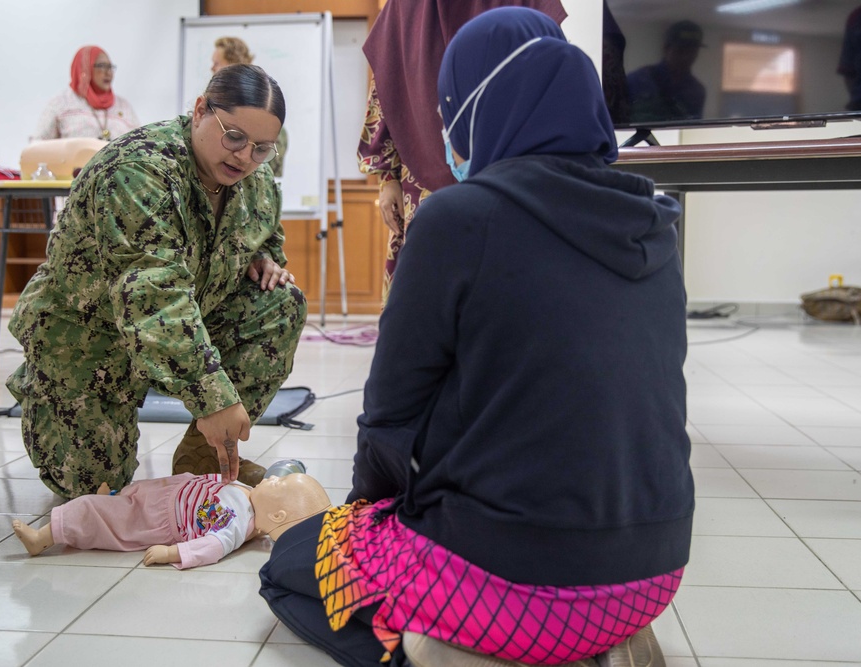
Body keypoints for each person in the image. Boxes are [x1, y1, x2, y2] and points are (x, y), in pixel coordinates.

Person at [260, 8, 692, 667]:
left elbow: (389, 417)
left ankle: (439, 645)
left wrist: (362, 523)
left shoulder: (457, 217)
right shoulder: (655, 219)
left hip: (512, 584)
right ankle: (596, 640)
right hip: (652, 575)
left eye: (446, 108)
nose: (442, 131)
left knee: (293, 560)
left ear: (475, 107)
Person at [7, 63, 306, 500]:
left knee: (281, 302)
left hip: (181, 323)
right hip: (88, 337)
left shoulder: (254, 180)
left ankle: (204, 459)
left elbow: (265, 233)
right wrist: (214, 398)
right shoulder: (138, 169)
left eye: (262, 148)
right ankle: (50, 389)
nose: (245, 157)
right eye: (234, 137)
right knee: (92, 490)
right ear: (201, 110)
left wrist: (263, 258)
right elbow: (153, 295)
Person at [358, 0, 566, 305]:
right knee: (429, 289)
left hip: (516, 169)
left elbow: (553, 62)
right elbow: (386, 83)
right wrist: (386, 176)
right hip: (422, 173)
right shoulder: (406, 6)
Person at [11, 471, 331, 569]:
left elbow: (214, 545)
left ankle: (43, 538)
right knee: (125, 498)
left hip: (159, 518)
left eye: (279, 484)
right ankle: (110, 497)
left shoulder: (238, 520)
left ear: (276, 515)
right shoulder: (248, 497)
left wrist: (174, 553)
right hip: (164, 495)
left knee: (95, 512)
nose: (273, 476)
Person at [212, 36, 288, 178]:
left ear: (230, 65)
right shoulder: (211, 115)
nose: (212, 68)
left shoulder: (273, 132)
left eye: (216, 63)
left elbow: (268, 179)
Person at [32, 45, 140, 142]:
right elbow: (38, 145)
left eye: (110, 67)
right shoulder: (61, 103)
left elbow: (140, 145)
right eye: (102, 66)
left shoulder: (124, 107)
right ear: (84, 69)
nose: (108, 72)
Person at [626, 19, 707, 123]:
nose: (686, 57)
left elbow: (694, 128)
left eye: (692, 51)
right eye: (680, 50)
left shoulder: (697, 90)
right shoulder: (637, 80)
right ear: (666, 49)